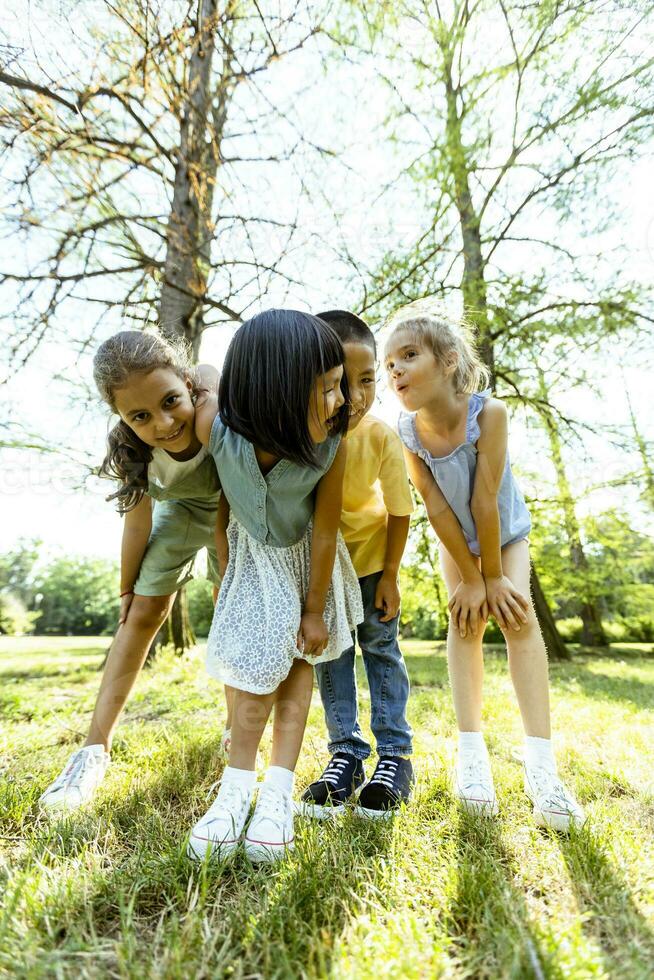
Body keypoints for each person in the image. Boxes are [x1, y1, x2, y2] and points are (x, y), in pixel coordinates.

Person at [384, 302, 585, 832]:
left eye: (408, 356)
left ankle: (543, 769)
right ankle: (471, 759)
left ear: (448, 361)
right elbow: (434, 505)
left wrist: (493, 576)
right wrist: (470, 579)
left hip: (504, 532)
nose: (395, 370)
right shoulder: (407, 433)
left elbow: (486, 499)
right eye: (389, 364)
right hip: (457, 543)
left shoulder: (488, 413)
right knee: (464, 622)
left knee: (518, 620)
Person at [187, 309, 363, 864]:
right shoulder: (213, 426)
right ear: (277, 394)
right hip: (249, 562)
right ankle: (236, 789)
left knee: (294, 666)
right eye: (330, 389)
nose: (342, 402)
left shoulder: (331, 445)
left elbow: (328, 526)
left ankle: (278, 793)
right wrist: (220, 556)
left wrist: (314, 610)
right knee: (244, 668)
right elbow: (208, 375)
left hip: (306, 564)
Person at [39, 330, 223, 813]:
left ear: (186, 382)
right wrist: (128, 590)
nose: (163, 423)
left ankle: (236, 733)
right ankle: (92, 750)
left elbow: (209, 377)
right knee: (141, 614)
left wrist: (208, 388)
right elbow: (137, 523)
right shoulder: (133, 452)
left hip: (235, 509)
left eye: (169, 402)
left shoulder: (209, 397)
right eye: (140, 415)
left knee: (233, 610)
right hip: (181, 511)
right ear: (120, 416)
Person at [298, 310, 415, 820]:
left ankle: (394, 756)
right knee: (331, 658)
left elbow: (400, 508)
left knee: (381, 650)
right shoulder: (302, 436)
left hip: (369, 563)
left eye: (368, 379)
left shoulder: (380, 436)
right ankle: (345, 754)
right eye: (343, 381)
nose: (358, 394)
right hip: (324, 571)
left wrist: (390, 573)